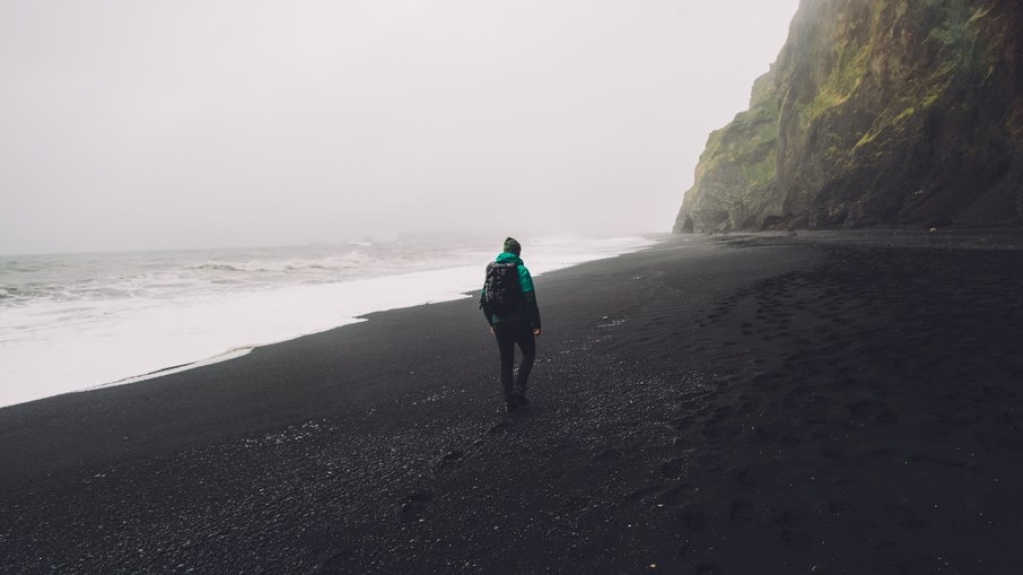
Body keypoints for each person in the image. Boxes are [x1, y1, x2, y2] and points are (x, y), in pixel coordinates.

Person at [480, 237, 542, 412]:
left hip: (499, 323)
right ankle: (519, 389)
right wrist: (536, 323)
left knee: (506, 361)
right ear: (517, 252)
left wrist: (492, 321)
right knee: (529, 353)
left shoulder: (491, 270)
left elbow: (485, 299)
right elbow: (529, 298)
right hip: (519, 321)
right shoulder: (521, 270)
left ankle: (509, 401)